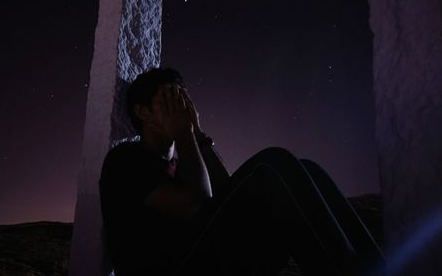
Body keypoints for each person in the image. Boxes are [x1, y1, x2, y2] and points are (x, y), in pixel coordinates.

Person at [99, 68, 385, 276]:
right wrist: (185, 135)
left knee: (308, 170)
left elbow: (226, 194)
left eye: (184, 99)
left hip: (213, 259)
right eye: (169, 99)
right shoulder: (125, 161)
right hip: (170, 269)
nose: (182, 108)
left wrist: (198, 137)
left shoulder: (186, 159)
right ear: (143, 112)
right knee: (272, 165)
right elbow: (195, 205)